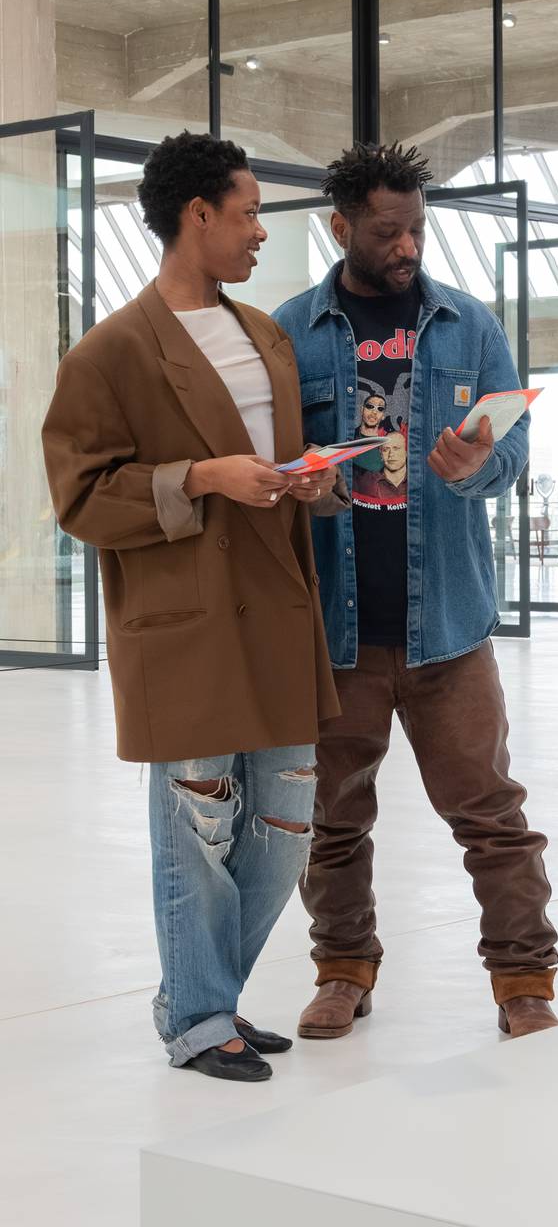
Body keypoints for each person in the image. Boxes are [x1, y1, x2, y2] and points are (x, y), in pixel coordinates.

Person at [42, 132, 342, 1082]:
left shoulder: (267, 336)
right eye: (248, 213)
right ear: (197, 215)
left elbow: (283, 460)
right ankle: (203, 1015)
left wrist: (311, 482)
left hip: (277, 607)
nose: (260, 231)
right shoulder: (109, 353)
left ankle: (195, 999)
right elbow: (81, 499)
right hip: (187, 620)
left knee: (286, 826)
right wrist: (204, 477)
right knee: (197, 827)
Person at [274, 142, 558, 1041]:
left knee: (493, 817)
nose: (406, 247)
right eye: (387, 232)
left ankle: (524, 981)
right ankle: (343, 970)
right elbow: (277, 462)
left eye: (417, 231)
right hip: (339, 632)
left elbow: (512, 451)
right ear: (341, 227)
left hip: (450, 629)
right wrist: (307, 485)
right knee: (331, 821)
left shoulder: (469, 325)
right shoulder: (290, 332)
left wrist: (479, 467)